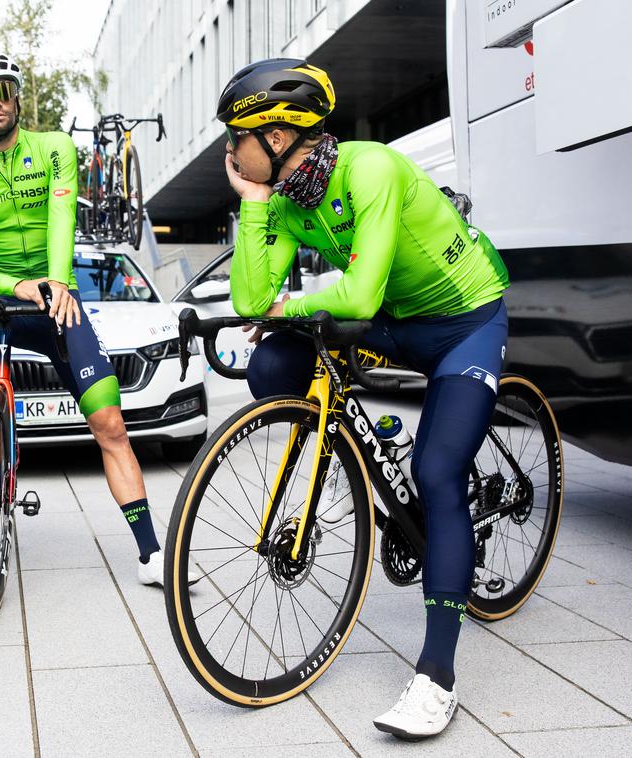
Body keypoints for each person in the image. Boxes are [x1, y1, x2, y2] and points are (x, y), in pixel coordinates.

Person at [217, 58, 510, 739]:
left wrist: (293, 300)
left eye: (239, 137)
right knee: (273, 364)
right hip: (400, 325)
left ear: (281, 134)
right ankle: (370, 450)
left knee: (438, 474)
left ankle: (437, 677)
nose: (231, 153)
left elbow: (357, 296)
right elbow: (250, 300)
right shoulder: (289, 201)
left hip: (466, 321)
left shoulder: (370, 168)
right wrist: (256, 206)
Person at [0, 51, 165, 586]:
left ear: (18, 96)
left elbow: (63, 217)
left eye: (4, 90)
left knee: (110, 424)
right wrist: (16, 285)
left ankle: (151, 551)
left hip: (55, 298)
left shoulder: (56, 148)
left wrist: (56, 283)